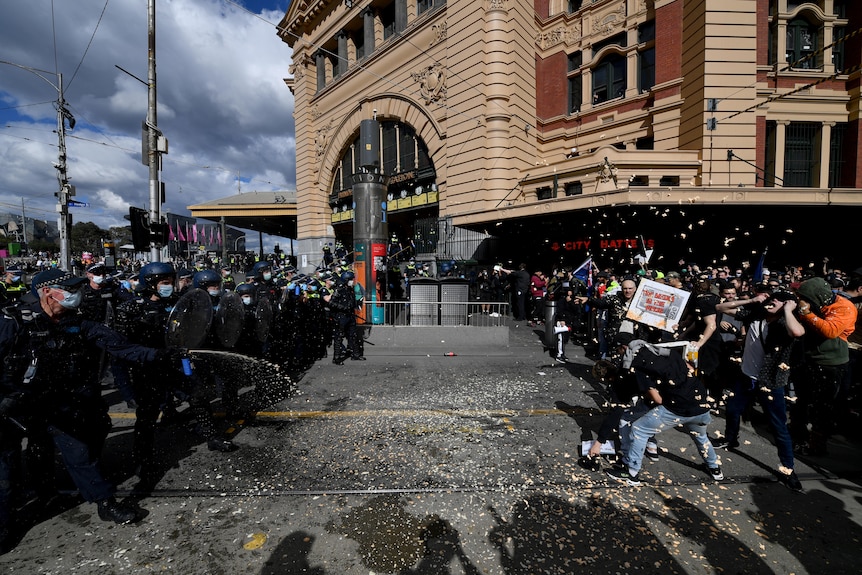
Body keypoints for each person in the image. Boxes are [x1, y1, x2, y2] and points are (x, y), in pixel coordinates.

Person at [0, 269, 179, 542]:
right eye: (69, 289)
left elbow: (122, 347)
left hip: (54, 402)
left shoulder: (79, 323)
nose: (77, 295)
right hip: (9, 406)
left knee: (79, 451)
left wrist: (160, 355)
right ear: (48, 291)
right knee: (6, 469)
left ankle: (104, 503)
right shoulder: (12, 320)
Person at [715, 288, 805, 491]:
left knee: (779, 428)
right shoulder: (755, 313)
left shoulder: (784, 324)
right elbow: (720, 307)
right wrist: (752, 300)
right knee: (732, 410)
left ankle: (788, 470)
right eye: (772, 298)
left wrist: (789, 310)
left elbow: (798, 332)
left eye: (779, 301)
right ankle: (730, 440)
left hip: (771, 383)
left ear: (787, 306)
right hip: (746, 376)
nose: (773, 301)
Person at [606, 339, 722, 486]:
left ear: (625, 348)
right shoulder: (671, 354)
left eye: (619, 352)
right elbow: (689, 370)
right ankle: (714, 468)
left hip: (677, 408)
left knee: (639, 429)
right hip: (701, 404)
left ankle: (631, 472)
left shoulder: (641, 367)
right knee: (701, 436)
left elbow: (658, 400)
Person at [791, 276, 857, 455]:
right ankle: (799, 436)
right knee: (802, 400)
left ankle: (818, 444)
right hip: (809, 358)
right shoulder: (812, 303)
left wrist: (807, 314)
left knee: (823, 405)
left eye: (805, 298)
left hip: (831, 363)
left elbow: (830, 330)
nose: (802, 301)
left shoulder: (844, 307)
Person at [329, 271, 363, 364]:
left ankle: (355, 354)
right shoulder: (339, 289)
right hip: (341, 316)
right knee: (339, 337)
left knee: (353, 336)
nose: (352, 281)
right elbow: (331, 303)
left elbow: (352, 301)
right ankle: (336, 358)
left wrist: (357, 304)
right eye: (351, 279)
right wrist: (342, 307)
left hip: (350, 315)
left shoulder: (350, 289)